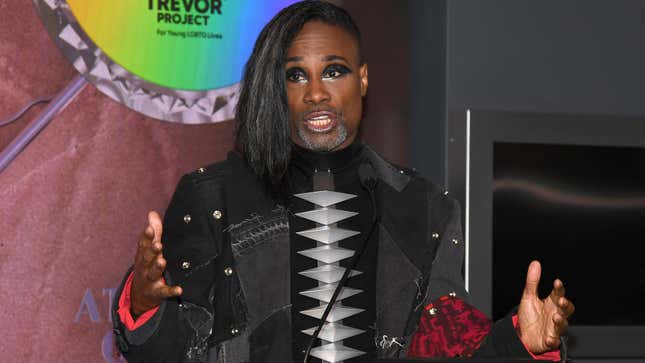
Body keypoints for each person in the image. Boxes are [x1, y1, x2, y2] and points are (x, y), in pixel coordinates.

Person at [111, 1, 575, 362]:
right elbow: (170, 354)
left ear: (363, 79)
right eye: (296, 75)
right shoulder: (212, 195)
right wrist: (146, 304)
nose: (316, 92)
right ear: (276, 89)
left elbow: (445, 345)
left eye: (334, 70)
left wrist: (518, 343)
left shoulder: (423, 206)